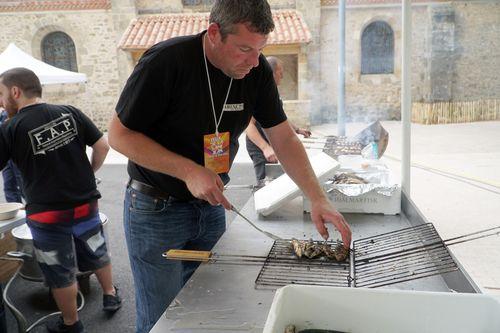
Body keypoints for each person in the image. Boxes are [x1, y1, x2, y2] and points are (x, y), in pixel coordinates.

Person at [108, 1, 351, 332]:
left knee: (211, 306)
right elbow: (119, 136)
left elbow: (284, 138)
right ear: (213, 33)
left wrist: (318, 197)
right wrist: (189, 171)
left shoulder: (257, 71)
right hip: (156, 209)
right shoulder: (166, 62)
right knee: (161, 319)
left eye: (260, 50)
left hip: (210, 207)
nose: (253, 62)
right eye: (244, 49)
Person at [0, 68, 122, 333]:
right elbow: (102, 145)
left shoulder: (10, 127)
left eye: (1, 94)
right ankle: (110, 294)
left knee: (59, 268)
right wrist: (88, 174)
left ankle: (71, 323)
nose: (1, 101)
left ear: (15, 91)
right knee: (96, 248)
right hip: (85, 203)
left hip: (47, 214)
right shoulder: (70, 111)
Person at [245, 56, 312, 182]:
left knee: (276, 178)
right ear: (272, 72)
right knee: (265, 181)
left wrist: (297, 130)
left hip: (270, 141)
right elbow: (248, 125)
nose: (282, 75)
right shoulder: (258, 92)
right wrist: (265, 148)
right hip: (259, 144)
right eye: (280, 71)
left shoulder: (272, 91)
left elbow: (279, 118)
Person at [0, 109, 24, 202]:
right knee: (9, 186)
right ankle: (15, 211)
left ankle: (31, 208)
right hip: (6, 155)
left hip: (15, 153)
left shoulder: (15, 112)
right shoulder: (3, 114)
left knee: (22, 185)